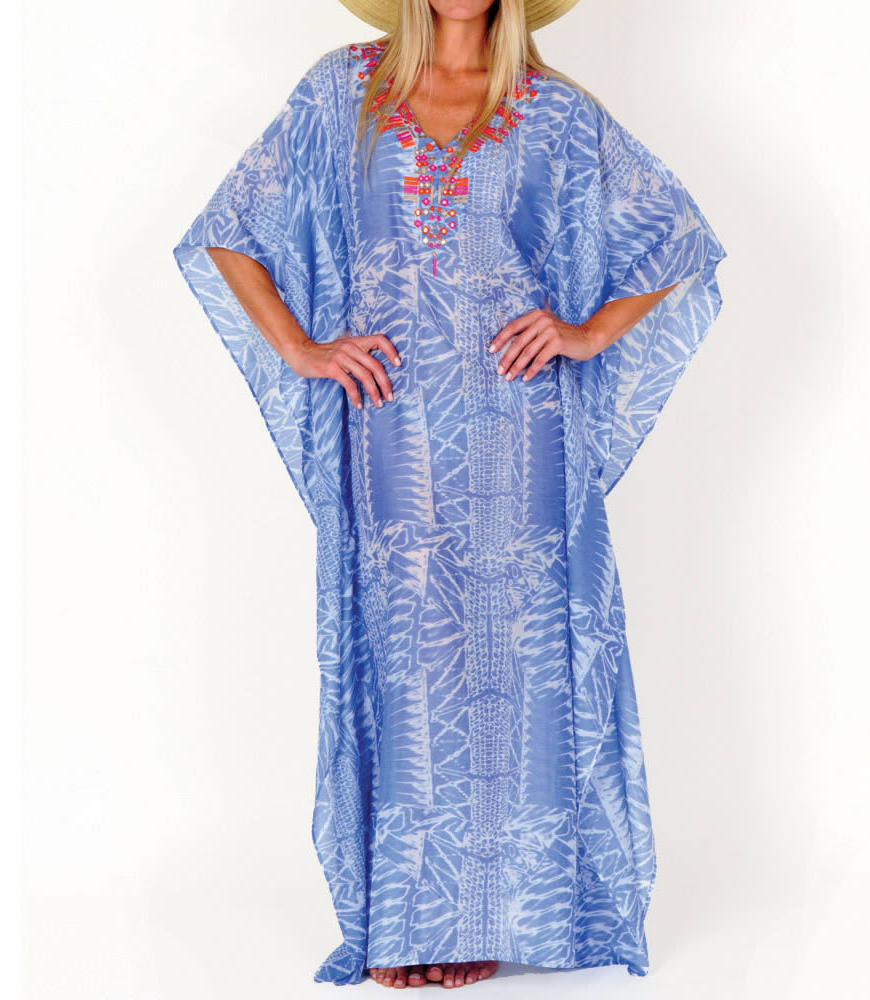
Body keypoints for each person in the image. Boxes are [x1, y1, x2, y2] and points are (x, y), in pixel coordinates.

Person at [173, 0, 726, 989]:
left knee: (516, 671)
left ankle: (493, 918)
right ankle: (409, 921)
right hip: (391, 425)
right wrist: (301, 347)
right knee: (411, 667)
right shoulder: (342, 92)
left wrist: (587, 332)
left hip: (522, 431)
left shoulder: (554, 112)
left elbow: (677, 239)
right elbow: (230, 231)